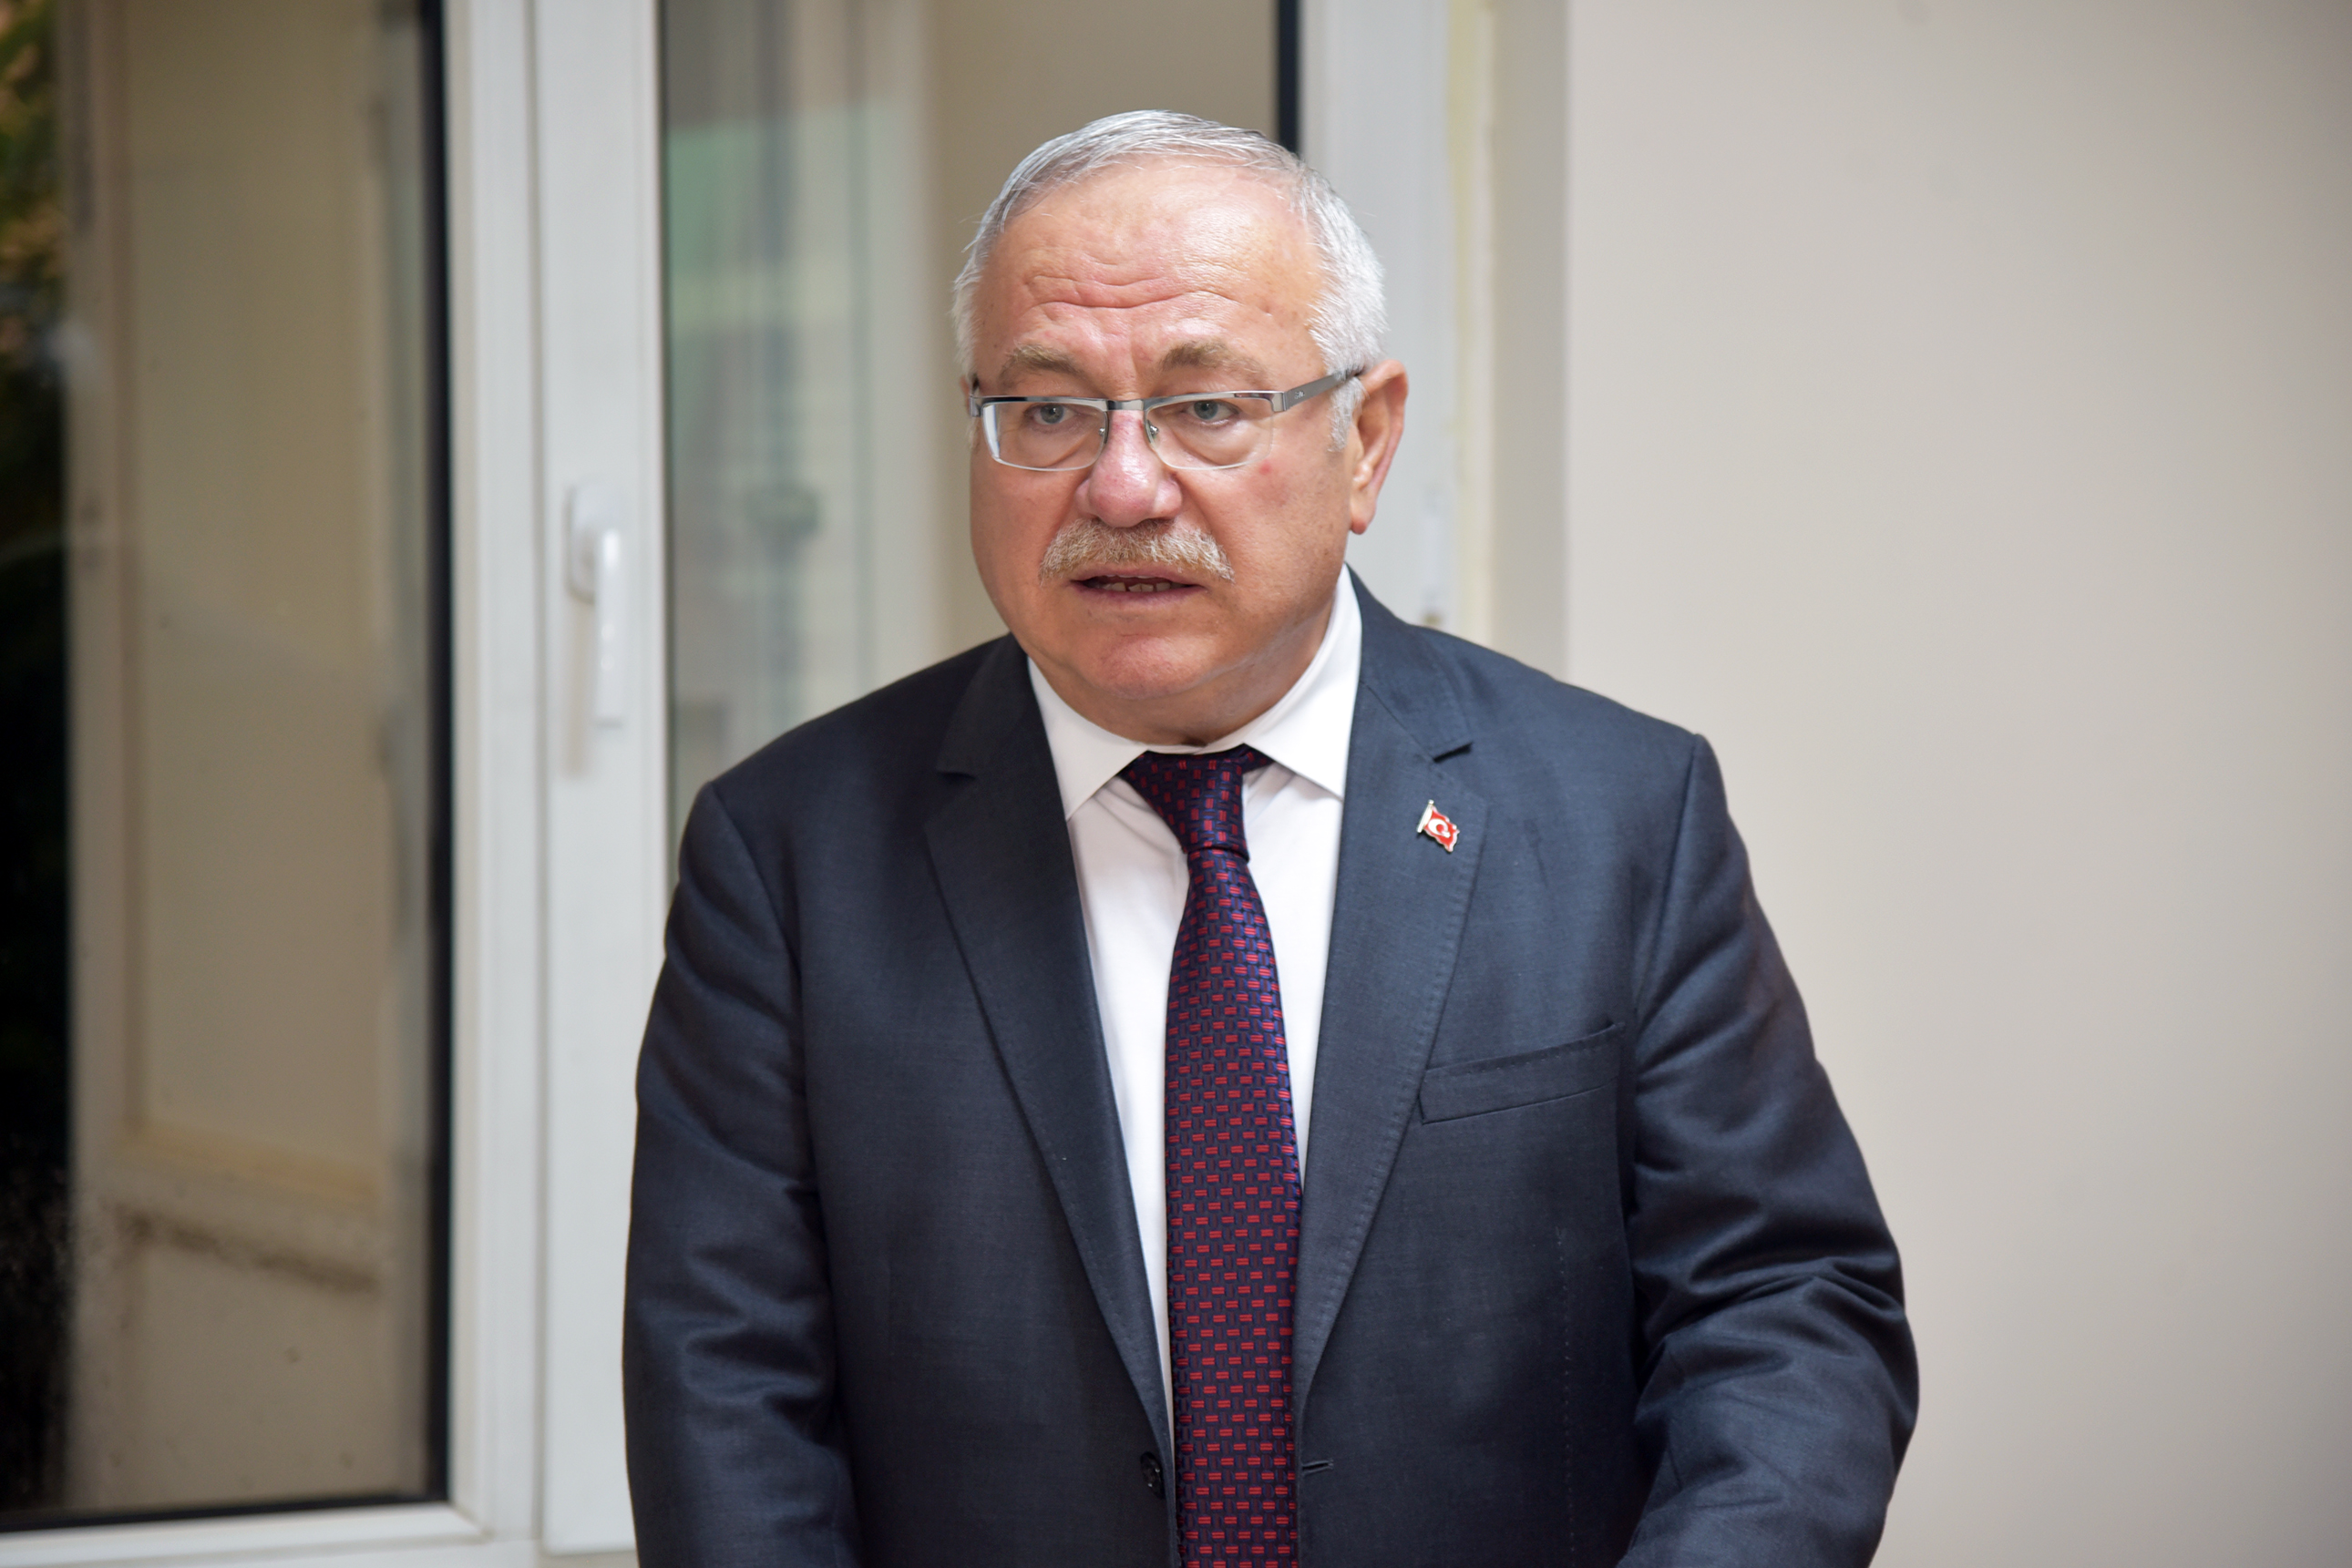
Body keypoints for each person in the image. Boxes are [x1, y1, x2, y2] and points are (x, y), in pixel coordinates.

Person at [622, 111, 1915, 1568]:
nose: (1120, 486)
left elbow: (1782, 1308)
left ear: (1364, 441)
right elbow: (725, 1393)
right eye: (1045, 411)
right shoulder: (789, 858)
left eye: (1206, 406)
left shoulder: (1614, 812)